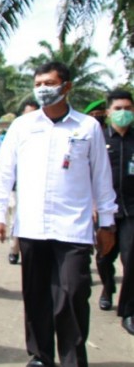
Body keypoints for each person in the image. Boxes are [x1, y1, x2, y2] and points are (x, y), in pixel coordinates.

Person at [0, 61, 117, 367]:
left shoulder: (87, 128)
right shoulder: (22, 126)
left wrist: (107, 223)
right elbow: (4, 175)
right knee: (36, 297)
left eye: (49, 83)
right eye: (39, 84)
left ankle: (72, 359)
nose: (43, 89)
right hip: (32, 226)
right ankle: (40, 356)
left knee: (72, 295)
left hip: (73, 228)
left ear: (67, 86)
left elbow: (101, 177)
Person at [94, 90, 134, 335]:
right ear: (108, 112)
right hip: (105, 210)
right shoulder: (98, 139)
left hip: (131, 210)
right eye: (118, 108)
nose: (123, 113)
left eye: (128, 108)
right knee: (103, 257)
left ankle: (128, 311)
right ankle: (107, 288)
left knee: (131, 259)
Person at [7, 99, 40, 265]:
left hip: (38, 190)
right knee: (15, 221)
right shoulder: (16, 134)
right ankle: (14, 249)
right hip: (17, 189)